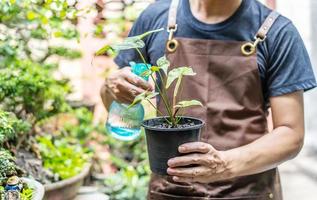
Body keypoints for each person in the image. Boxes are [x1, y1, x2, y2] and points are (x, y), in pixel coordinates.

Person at [100, 0, 317, 199]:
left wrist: (223, 165)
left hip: (247, 190)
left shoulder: (277, 31)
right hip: (171, 190)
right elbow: (116, 106)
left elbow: (291, 134)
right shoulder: (156, 19)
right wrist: (111, 89)